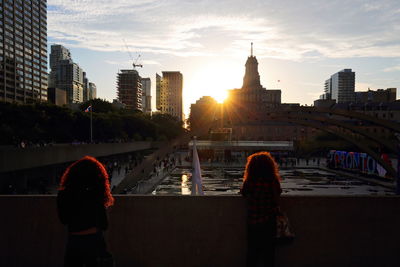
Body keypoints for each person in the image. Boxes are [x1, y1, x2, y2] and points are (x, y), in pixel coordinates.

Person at [57, 156, 115, 267]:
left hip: (74, 242)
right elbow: (104, 224)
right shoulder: (95, 193)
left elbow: (63, 219)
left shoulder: (64, 194)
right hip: (94, 242)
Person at [241, 151, 282, 267]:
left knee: (252, 254)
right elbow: (278, 196)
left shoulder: (249, 182)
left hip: (253, 222)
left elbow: (244, 193)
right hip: (269, 222)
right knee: (269, 255)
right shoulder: (273, 182)